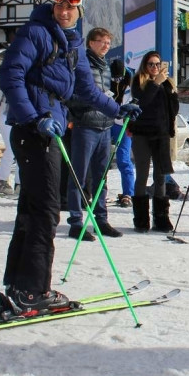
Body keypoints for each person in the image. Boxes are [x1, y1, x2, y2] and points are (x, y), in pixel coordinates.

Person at [0, 0, 140, 314]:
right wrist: (33, 117)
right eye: (59, 6)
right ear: (52, 7)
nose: (64, 12)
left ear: (79, 13)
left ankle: (20, 286)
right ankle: (33, 292)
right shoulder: (35, 32)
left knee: (33, 209)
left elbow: (87, 90)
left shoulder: (71, 43)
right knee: (46, 211)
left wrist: (117, 109)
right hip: (34, 130)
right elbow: (10, 75)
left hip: (48, 127)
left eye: (70, 8)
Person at [63, 27, 122, 241]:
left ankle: (101, 219)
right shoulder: (81, 64)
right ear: (90, 43)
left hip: (105, 126)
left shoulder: (107, 67)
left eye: (108, 42)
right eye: (101, 41)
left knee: (101, 176)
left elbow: (109, 96)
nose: (106, 45)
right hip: (85, 125)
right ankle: (76, 222)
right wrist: (90, 101)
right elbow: (71, 94)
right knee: (79, 175)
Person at [128, 51, 179, 233]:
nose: (154, 68)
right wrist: (155, 83)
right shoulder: (139, 81)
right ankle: (141, 219)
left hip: (161, 134)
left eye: (157, 64)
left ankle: (161, 218)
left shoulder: (165, 83)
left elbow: (172, 110)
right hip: (142, 133)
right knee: (142, 174)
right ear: (144, 65)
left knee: (160, 175)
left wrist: (172, 92)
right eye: (151, 64)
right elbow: (142, 103)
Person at [109, 59, 135, 207]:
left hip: (122, 123)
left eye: (119, 77)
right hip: (106, 121)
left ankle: (128, 193)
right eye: (114, 77)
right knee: (101, 159)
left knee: (123, 159)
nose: (116, 80)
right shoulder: (106, 77)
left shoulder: (131, 80)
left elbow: (135, 101)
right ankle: (98, 192)